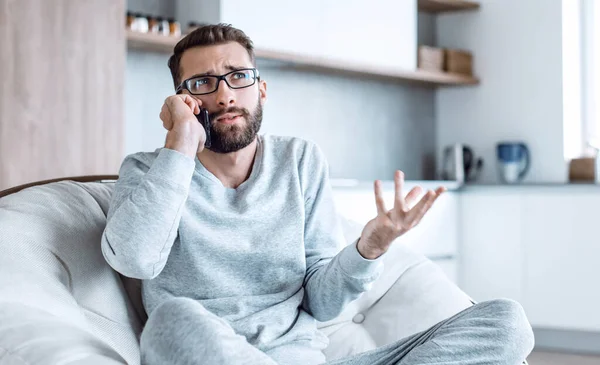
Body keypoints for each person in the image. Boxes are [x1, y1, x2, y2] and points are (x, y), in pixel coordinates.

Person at [101, 23, 534, 365]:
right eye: (202, 84)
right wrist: (180, 142)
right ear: (181, 101)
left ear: (262, 89)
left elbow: (322, 302)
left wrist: (370, 247)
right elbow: (135, 259)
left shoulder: (299, 160)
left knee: (506, 323)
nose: (225, 94)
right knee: (173, 321)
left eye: (238, 77)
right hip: (209, 354)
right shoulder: (149, 172)